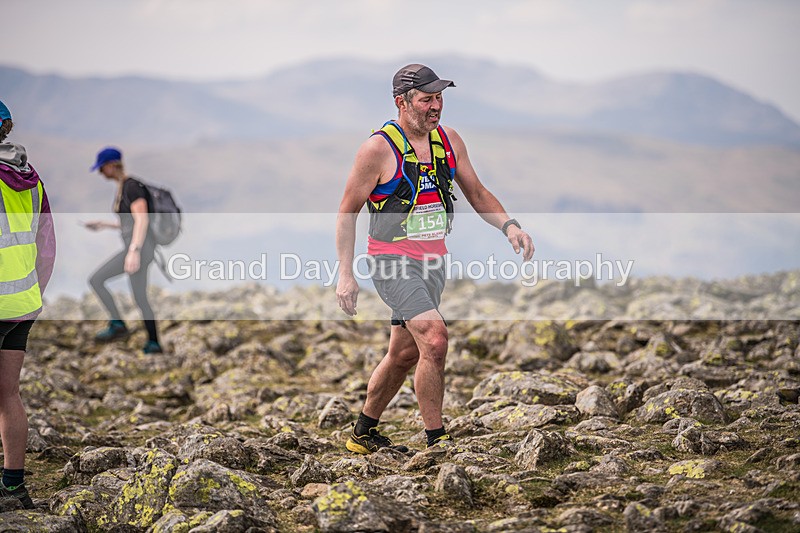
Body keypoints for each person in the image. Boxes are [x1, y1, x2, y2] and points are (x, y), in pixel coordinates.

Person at [335, 64, 534, 453]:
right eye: (426, 99)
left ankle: (362, 433)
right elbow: (347, 212)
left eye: (439, 98)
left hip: (433, 263)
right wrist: (346, 274)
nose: (436, 106)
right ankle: (436, 440)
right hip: (391, 261)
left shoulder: (449, 141)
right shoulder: (377, 149)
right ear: (401, 102)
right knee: (435, 338)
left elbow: (476, 192)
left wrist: (510, 226)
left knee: (404, 352)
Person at [0, 99, 57, 509]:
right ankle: (15, 487)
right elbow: (46, 245)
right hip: (22, 300)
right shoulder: (31, 180)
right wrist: (34, 294)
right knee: (8, 394)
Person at [85, 147, 162, 354]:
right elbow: (130, 223)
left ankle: (122, 327)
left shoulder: (131, 187)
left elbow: (142, 219)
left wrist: (134, 251)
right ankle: (152, 342)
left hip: (140, 249)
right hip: (138, 248)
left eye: (102, 169)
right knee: (139, 296)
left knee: (97, 279)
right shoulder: (123, 187)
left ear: (112, 165)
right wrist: (103, 224)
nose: (101, 173)